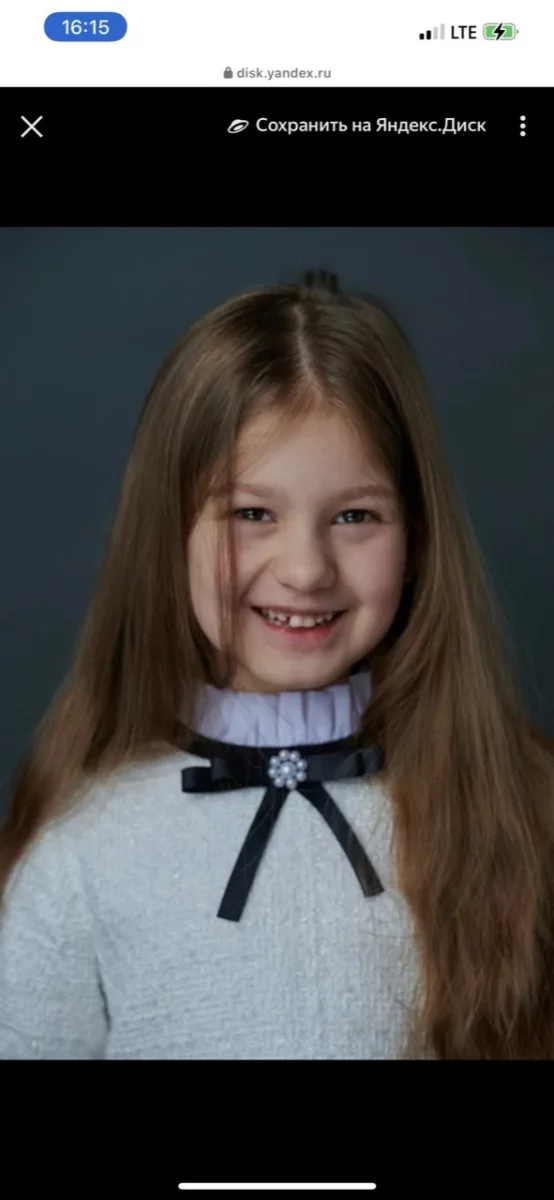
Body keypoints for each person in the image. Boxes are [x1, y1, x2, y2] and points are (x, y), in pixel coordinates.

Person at [1, 268, 554, 1061]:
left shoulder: (521, 809)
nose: (305, 570)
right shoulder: (82, 846)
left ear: (419, 537)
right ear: (170, 532)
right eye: (252, 513)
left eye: (355, 515)